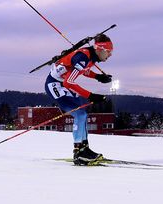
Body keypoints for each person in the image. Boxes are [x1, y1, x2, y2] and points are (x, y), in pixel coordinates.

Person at [44, 33, 114, 165]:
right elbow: (69, 82)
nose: (110, 55)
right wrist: (91, 96)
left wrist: (97, 77)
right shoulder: (83, 57)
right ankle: (78, 153)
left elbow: (83, 70)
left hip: (63, 84)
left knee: (83, 114)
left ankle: (84, 148)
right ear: (100, 49)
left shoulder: (90, 56)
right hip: (55, 84)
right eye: (108, 51)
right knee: (80, 114)